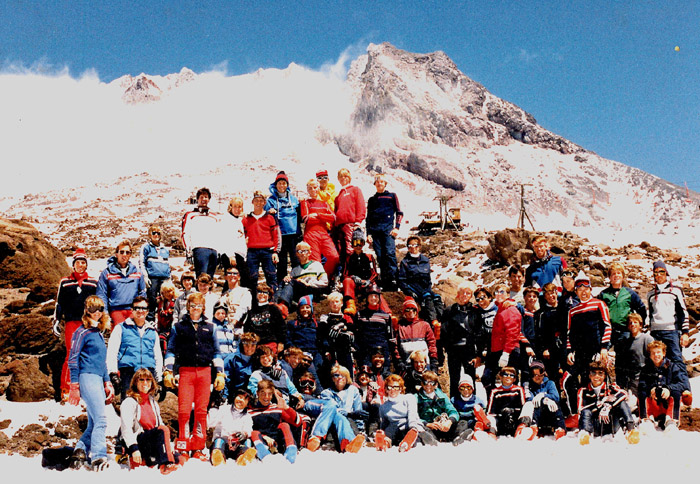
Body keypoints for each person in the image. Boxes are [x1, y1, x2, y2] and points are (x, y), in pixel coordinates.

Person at [163, 292, 225, 460]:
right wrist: (168, 370)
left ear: (203, 307)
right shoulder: (178, 326)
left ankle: (198, 447)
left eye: (199, 306)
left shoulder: (211, 327)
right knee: (183, 411)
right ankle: (183, 447)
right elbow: (170, 349)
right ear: (187, 307)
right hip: (186, 372)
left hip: (204, 372)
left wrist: (220, 373)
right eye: (192, 305)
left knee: (201, 411)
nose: (196, 309)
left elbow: (217, 352)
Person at [66, 295, 114, 471]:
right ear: (86, 310)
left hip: (98, 378)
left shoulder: (98, 333)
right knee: (101, 420)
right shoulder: (81, 332)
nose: (97, 313)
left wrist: (107, 382)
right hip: (86, 377)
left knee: (94, 423)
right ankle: (99, 457)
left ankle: (79, 451)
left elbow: (102, 362)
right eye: (93, 309)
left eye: (100, 309)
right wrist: (74, 385)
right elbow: (73, 359)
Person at [52, 248, 98, 401]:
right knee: (72, 354)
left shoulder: (92, 282)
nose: (81, 265)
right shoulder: (65, 282)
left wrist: (99, 322)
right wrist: (57, 321)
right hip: (71, 322)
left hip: (87, 322)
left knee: (87, 354)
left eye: (83, 262)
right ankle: (66, 388)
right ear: (73, 264)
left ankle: (85, 388)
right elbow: (60, 303)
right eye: (78, 262)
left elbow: (97, 303)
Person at [119, 368, 179, 474]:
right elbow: (126, 428)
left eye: (148, 380)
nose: (145, 383)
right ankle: (166, 464)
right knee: (163, 429)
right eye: (141, 380)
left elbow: (159, 424)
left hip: (152, 442)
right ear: (135, 383)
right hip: (138, 442)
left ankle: (163, 460)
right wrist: (134, 449)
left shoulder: (153, 402)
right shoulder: (129, 402)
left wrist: (169, 447)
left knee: (179, 458)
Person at [106, 296, 163, 400]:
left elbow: (157, 356)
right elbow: (112, 352)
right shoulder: (121, 328)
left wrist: (159, 378)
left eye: (143, 308)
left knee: (146, 407)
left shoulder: (152, 331)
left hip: (148, 373)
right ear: (132, 310)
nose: (140, 311)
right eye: (137, 308)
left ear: (147, 311)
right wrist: (113, 373)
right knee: (129, 405)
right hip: (129, 372)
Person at [566, 271, 611, 389]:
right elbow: (570, 334)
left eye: (586, 289)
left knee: (600, 381)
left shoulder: (599, 304)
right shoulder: (572, 311)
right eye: (580, 289)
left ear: (590, 289)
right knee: (583, 382)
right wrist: (570, 351)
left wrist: (604, 348)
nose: (583, 292)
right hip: (581, 353)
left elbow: (607, 326)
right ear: (576, 292)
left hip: (596, 351)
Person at [577, 362, 638, 445]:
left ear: (604, 376)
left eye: (600, 373)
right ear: (589, 375)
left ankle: (631, 430)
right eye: (593, 373)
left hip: (611, 423)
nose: (597, 376)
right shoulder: (583, 391)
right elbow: (581, 409)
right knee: (586, 412)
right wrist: (600, 404)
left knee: (622, 403)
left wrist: (608, 406)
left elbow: (624, 394)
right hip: (595, 425)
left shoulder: (610, 387)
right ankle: (585, 435)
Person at [309, 364, 366, 453]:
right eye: (336, 375)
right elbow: (333, 409)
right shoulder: (326, 393)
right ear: (332, 378)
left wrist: (361, 429)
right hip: (333, 423)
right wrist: (348, 413)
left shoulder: (353, 390)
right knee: (339, 416)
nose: (340, 378)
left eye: (342, 375)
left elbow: (358, 410)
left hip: (350, 422)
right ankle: (348, 442)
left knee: (344, 418)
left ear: (347, 377)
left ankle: (350, 442)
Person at [248, 380, 307, 463]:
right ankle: (265, 456)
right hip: (261, 442)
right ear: (257, 393)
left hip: (278, 443)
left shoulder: (276, 408)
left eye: (269, 394)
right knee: (254, 432)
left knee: (284, 425)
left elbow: (297, 422)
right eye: (263, 393)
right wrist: (264, 436)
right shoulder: (250, 411)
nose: (266, 397)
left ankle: (291, 451)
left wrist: (287, 408)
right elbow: (247, 430)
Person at [441, 281, 482, 397]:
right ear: (457, 294)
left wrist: (478, 353)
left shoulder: (475, 311)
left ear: (471, 296)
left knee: (470, 376)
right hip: (454, 349)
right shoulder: (449, 310)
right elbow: (444, 331)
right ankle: (454, 402)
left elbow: (479, 332)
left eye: (468, 293)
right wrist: (447, 347)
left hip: (469, 349)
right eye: (462, 292)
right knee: (454, 377)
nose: (465, 295)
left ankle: (472, 401)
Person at [638, 340, 690, 430]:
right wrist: (651, 389)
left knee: (676, 393)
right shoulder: (646, 369)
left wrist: (669, 389)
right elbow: (642, 384)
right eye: (653, 353)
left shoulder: (672, 367)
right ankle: (647, 420)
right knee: (642, 393)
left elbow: (681, 384)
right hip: (653, 403)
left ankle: (672, 421)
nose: (656, 355)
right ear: (650, 355)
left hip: (667, 403)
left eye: (658, 352)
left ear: (664, 353)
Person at [646, 260, 690, 363]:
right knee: (657, 361)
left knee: (676, 360)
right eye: (656, 272)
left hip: (671, 331)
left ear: (666, 273)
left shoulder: (676, 291)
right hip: (655, 332)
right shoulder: (650, 294)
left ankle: (681, 379)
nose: (659, 275)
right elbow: (651, 314)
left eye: (661, 271)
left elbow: (683, 312)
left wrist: (685, 333)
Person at [96, 240, 146, 327]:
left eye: (127, 252)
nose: (124, 255)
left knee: (133, 337)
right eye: (122, 252)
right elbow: (102, 294)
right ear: (116, 254)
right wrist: (105, 314)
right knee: (119, 337)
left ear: (130, 255)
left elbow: (142, 293)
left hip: (133, 311)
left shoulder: (137, 272)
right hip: (116, 311)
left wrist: (141, 310)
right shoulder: (107, 273)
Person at [366, 174, 403, 290]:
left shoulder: (392, 196)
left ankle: (394, 280)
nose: (379, 184)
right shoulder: (372, 200)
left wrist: (397, 227)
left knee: (390, 253)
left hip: (388, 230)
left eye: (382, 182)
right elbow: (368, 218)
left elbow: (399, 213)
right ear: (374, 184)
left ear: (385, 184)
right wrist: (368, 234)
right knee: (380, 256)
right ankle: (386, 281)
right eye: (377, 182)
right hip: (375, 231)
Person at [483, 284, 523, 394]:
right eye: (496, 292)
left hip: (508, 350)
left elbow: (512, 333)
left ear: (508, 295)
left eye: (502, 292)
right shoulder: (500, 308)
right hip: (497, 350)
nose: (499, 294)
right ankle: (495, 401)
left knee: (510, 379)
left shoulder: (510, 310)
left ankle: (513, 404)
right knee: (488, 378)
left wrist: (506, 353)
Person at [599, 262, 647, 349]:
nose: (616, 276)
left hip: (625, 331)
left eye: (619, 273)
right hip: (608, 331)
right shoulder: (604, 294)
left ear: (623, 276)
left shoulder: (629, 293)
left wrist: (640, 325)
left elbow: (641, 308)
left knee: (624, 358)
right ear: (609, 277)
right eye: (613, 274)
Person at [398, 236, 444, 326]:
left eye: (415, 245)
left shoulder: (425, 260)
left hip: (426, 288)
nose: (413, 248)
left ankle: (442, 319)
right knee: (428, 298)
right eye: (410, 245)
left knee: (437, 298)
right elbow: (402, 280)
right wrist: (409, 291)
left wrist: (429, 288)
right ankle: (433, 321)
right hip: (414, 288)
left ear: (419, 246)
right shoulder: (405, 262)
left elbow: (428, 278)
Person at [415, 371, 470, 446]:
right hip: (430, 427)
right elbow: (414, 416)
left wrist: (449, 422)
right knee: (422, 428)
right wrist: (428, 424)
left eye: (432, 383)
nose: (428, 385)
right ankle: (431, 440)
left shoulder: (442, 396)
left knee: (463, 422)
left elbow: (453, 411)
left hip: (443, 426)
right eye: (425, 382)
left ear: (436, 385)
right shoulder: (416, 398)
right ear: (421, 383)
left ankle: (458, 438)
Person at [265, 171, 301, 284]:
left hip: (294, 234)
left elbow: (299, 215)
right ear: (275, 185)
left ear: (287, 185)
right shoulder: (271, 200)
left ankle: (296, 282)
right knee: (282, 261)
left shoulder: (294, 199)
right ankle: (281, 284)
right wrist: (269, 212)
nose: (282, 186)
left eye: (284, 183)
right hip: (280, 235)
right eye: (279, 183)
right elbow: (265, 216)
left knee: (296, 260)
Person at [341, 232, 390, 315]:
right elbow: (345, 274)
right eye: (355, 243)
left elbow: (374, 273)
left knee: (375, 289)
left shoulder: (369, 257)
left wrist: (369, 281)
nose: (358, 246)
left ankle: (387, 312)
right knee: (347, 281)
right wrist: (353, 277)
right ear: (352, 245)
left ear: (363, 244)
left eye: (360, 243)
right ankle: (351, 305)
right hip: (355, 283)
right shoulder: (349, 258)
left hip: (367, 283)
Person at [300, 178, 339, 278]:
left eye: (315, 187)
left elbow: (333, 218)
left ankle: (325, 277)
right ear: (308, 190)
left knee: (334, 257)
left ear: (318, 188)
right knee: (316, 262)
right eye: (310, 188)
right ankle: (318, 285)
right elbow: (306, 219)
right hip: (311, 234)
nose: (313, 190)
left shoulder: (325, 203)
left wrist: (317, 215)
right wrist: (324, 217)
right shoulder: (305, 202)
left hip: (324, 233)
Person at [275, 241, 328, 315]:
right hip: (300, 292)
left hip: (312, 291)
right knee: (284, 281)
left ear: (309, 253)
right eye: (300, 251)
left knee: (292, 281)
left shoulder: (316, 265)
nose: (303, 253)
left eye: (305, 251)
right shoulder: (295, 270)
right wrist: (287, 278)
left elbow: (325, 282)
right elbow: (290, 285)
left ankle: (284, 305)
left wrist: (308, 283)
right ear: (297, 254)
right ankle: (275, 303)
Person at [243, 190, 281, 292]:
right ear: (252, 202)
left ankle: (273, 301)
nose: (258, 203)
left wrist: (275, 252)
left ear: (265, 202)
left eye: (261, 201)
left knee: (271, 277)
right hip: (252, 251)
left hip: (267, 250)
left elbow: (276, 236)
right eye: (256, 200)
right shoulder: (246, 219)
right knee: (252, 277)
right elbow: (242, 235)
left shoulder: (270, 217)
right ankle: (253, 303)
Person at [208, 388, 257, 466]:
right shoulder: (224, 409)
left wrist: (244, 434)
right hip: (224, 445)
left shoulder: (247, 416)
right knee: (219, 441)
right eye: (239, 397)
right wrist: (214, 408)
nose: (241, 400)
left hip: (237, 446)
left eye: (245, 399)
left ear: (248, 403)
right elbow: (211, 424)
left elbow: (249, 429)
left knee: (248, 441)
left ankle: (243, 458)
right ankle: (218, 458)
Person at [375, 374, 423, 452]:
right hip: (394, 428)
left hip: (407, 425)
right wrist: (382, 431)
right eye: (389, 387)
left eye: (396, 387)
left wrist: (413, 428)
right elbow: (384, 423)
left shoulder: (409, 398)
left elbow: (412, 415)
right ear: (386, 389)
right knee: (390, 430)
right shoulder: (383, 407)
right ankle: (384, 443)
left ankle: (407, 442)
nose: (392, 390)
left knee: (410, 432)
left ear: (400, 389)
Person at [181, 187, 221, 278]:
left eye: (206, 197)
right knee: (201, 277)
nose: (204, 199)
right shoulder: (190, 215)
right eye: (201, 197)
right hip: (200, 248)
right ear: (197, 199)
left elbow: (219, 234)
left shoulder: (214, 216)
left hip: (213, 250)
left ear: (209, 199)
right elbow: (185, 233)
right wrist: (188, 250)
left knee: (210, 279)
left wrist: (220, 251)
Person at [354, 285, 394, 372]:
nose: (373, 298)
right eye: (371, 296)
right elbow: (356, 334)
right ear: (367, 298)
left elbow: (390, 336)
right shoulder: (359, 315)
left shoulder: (386, 316)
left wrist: (388, 353)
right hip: (365, 352)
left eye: (376, 296)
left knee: (383, 375)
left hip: (382, 351)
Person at [615, 313, 654, 401]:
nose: (633, 325)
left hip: (645, 377)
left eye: (635, 322)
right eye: (630, 323)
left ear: (640, 325)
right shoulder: (626, 342)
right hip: (632, 379)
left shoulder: (647, 339)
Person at [522, 361, 566, 440]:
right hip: (536, 415)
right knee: (534, 403)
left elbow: (556, 396)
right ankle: (533, 427)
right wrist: (543, 400)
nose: (537, 377)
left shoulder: (550, 383)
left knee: (555, 403)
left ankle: (560, 428)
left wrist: (544, 396)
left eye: (539, 373)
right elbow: (529, 398)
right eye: (534, 374)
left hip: (550, 413)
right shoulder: (528, 385)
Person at [333, 168, 366, 270]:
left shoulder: (355, 190)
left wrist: (358, 221)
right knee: (340, 250)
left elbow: (361, 206)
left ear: (349, 177)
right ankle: (344, 273)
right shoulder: (338, 195)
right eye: (340, 177)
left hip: (350, 224)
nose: (343, 178)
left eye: (345, 176)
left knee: (350, 248)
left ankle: (354, 272)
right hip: (339, 226)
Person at [317, 291, 355, 380]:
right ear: (329, 304)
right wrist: (325, 350)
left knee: (347, 376)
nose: (335, 304)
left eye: (337, 301)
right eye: (332, 302)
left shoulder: (347, 318)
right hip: (331, 351)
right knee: (332, 376)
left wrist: (342, 327)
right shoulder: (325, 318)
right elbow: (321, 336)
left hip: (345, 351)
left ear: (341, 303)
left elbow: (352, 331)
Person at [394, 297, 438, 372]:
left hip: (423, 364)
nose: (410, 312)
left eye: (413, 309)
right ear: (404, 312)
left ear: (416, 311)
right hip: (406, 365)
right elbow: (395, 346)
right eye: (407, 310)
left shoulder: (424, 325)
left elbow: (432, 344)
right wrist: (399, 360)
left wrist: (434, 361)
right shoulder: (400, 327)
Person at [138, 224, 171, 322]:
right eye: (154, 233)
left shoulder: (165, 249)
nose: (156, 235)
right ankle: (150, 320)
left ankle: (165, 320)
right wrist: (145, 276)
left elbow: (167, 263)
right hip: (152, 277)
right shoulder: (146, 247)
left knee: (165, 300)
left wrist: (170, 278)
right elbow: (141, 262)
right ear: (150, 234)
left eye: (158, 233)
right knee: (152, 299)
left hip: (164, 277)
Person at [219, 196, 253, 290]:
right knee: (236, 279)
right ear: (230, 207)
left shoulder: (238, 220)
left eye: (239, 207)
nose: (237, 209)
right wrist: (230, 255)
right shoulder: (227, 219)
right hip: (231, 255)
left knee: (236, 280)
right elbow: (225, 238)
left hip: (240, 254)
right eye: (235, 207)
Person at [243, 283, 286, 354]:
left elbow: (281, 326)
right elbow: (247, 328)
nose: (262, 294)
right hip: (256, 345)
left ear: (269, 296)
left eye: (265, 292)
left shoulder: (273, 308)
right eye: (259, 292)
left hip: (271, 343)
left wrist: (281, 342)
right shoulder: (251, 311)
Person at [485, 367, 528, 438]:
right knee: (490, 418)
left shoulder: (518, 390)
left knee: (528, 405)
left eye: (512, 375)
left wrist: (512, 411)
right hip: (501, 420)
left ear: (514, 379)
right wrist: (501, 414)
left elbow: (522, 407)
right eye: (505, 374)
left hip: (514, 418)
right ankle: (491, 433)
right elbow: (490, 412)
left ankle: (521, 430)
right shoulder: (495, 391)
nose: (508, 377)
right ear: (500, 377)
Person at [219, 266, 252, 336]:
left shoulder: (245, 292)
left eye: (235, 273)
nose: (232, 275)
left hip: (240, 329)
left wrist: (233, 323)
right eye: (229, 273)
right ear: (225, 277)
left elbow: (243, 309)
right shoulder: (223, 295)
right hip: (224, 328)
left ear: (239, 277)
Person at [225, 332, 260, 396]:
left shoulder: (257, 359)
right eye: (246, 345)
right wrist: (224, 397)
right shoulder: (232, 359)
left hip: (251, 396)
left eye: (252, 345)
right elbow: (226, 380)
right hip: (234, 395)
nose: (249, 348)